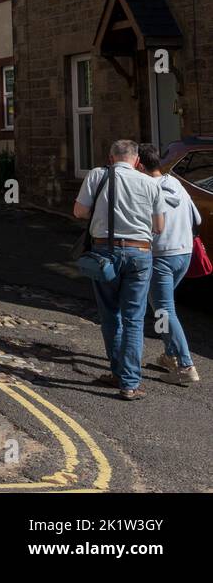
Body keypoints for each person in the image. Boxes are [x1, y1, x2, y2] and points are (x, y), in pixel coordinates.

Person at [73, 139, 165, 400]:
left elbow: (79, 211)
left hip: (105, 252)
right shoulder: (150, 182)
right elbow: (159, 227)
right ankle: (130, 383)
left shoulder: (97, 175)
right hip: (140, 253)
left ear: (111, 158)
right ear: (137, 161)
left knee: (110, 314)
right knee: (134, 319)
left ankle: (117, 372)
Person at [138, 143, 201, 386]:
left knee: (164, 310)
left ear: (140, 165)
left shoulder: (145, 189)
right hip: (183, 254)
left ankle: (185, 365)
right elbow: (197, 218)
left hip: (161, 256)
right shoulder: (177, 184)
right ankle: (170, 355)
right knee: (163, 308)